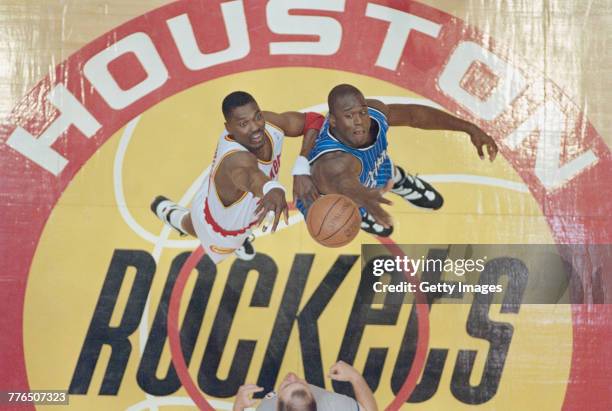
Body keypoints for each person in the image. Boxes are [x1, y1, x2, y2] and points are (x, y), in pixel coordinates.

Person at [297, 83, 498, 237]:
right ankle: (359, 211)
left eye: (362, 113)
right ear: (333, 121)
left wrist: (469, 128)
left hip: (373, 170)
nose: (359, 121)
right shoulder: (330, 163)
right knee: (345, 207)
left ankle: (397, 179)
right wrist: (365, 198)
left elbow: (414, 116)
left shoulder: (375, 115)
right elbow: (344, 182)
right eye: (349, 116)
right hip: (340, 196)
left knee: (382, 167)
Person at [151, 91, 322, 263]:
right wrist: (273, 188)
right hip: (223, 228)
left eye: (257, 117)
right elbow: (251, 176)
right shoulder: (236, 160)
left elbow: (314, 121)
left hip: (228, 195)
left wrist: (302, 165)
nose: (255, 127)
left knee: (248, 208)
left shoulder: (270, 124)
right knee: (194, 224)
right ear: (229, 128)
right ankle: (173, 216)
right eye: (243, 123)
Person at [233, 361, 378, 411]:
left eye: (286, 386)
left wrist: (238, 407)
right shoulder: (334, 404)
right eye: (301, 383)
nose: (292, 376)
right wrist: (355, 377)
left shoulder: (265, 408)